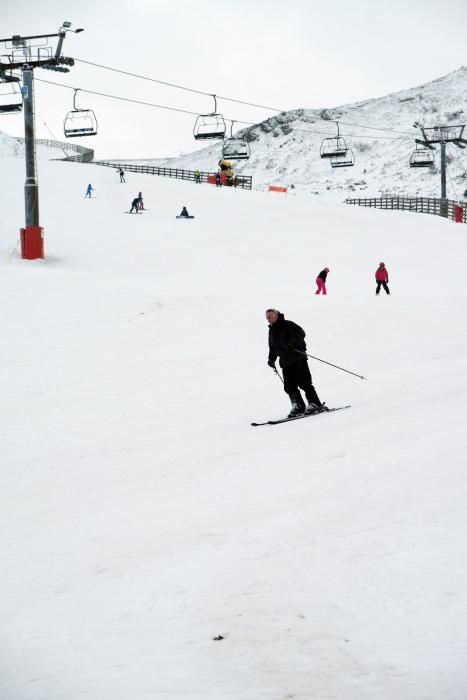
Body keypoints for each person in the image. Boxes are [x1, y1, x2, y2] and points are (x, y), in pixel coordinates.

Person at [266, 308, 325, 418]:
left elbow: (301, 333)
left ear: (276, 315)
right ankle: (298, 405)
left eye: (270, 316)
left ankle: (314, 403)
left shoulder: (288, 324)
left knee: (304, 382)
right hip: (285, 362)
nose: (268, 319)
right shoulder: (271, 331)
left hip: (297, 358)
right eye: (267, 317)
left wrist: (293, 343)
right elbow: (272, 347)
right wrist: (271, 359)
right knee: (289, 386)